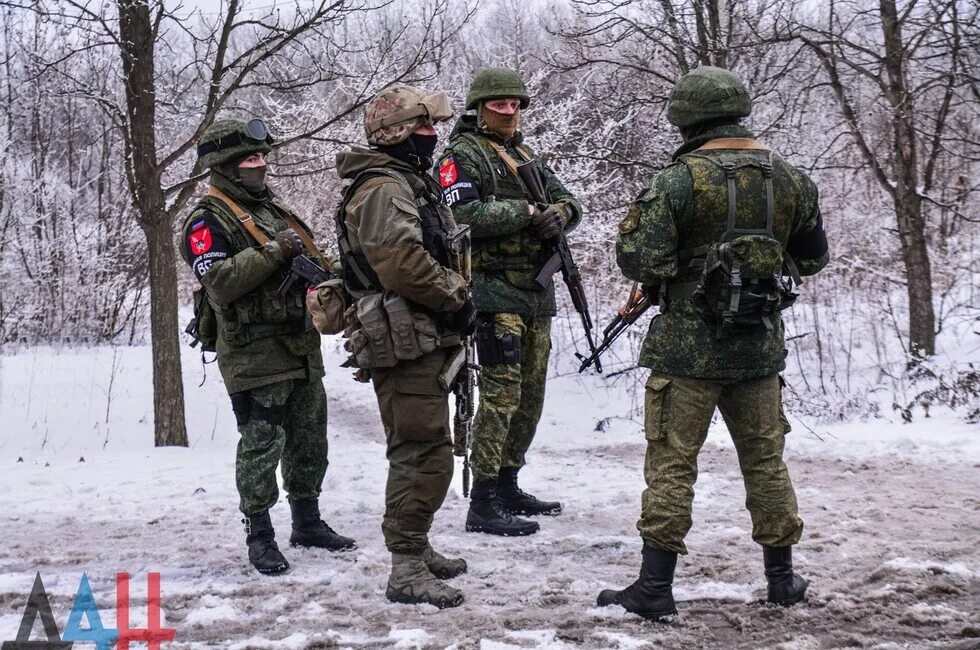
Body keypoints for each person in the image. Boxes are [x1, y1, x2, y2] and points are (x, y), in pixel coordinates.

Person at [597, 66, 830, 621]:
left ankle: (655, 588)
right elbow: (814, 258)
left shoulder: (678, 181)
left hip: (686, 349)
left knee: (673, 464)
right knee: (766, 461)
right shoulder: (790, 178)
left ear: (685, 118)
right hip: (758, 348)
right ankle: (781, 579)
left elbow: (640, 259)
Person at [180, 118, 355, 577]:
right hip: (254, 352)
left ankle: (308, 521)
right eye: (250, 160)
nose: (260, 166)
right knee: (262, 443)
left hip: (299, 344)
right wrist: (275, 250)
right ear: (224, 168)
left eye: (262, 158)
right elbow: (218, 283)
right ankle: (260, 534)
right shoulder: (207, 220)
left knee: (309, 437)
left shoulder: (273, 210)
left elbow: (313, 258)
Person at [335, 85, 476, 608]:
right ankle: (406, 567)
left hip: (420, 334)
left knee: (428, 447)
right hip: (406, 339)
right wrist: (456, 295)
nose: (432, 136)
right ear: (393, 133)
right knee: (422, 454)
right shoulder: (383, 188)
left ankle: (415, 545)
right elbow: (401, 262)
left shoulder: (402, 182)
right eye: (422, 128)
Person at [437, 68, 583, 537]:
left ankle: (508, 481)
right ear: (479, 107)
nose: (508, 111)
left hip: (536, 293)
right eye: (498, 104)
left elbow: (569, 201)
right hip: (494, 290)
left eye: (515, 104)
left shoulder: (524, 151)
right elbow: (460, 214)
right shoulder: (461, 156)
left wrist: (559, 213)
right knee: (500, 394)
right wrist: (524, 212)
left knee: (530, 395)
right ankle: (482, 502)